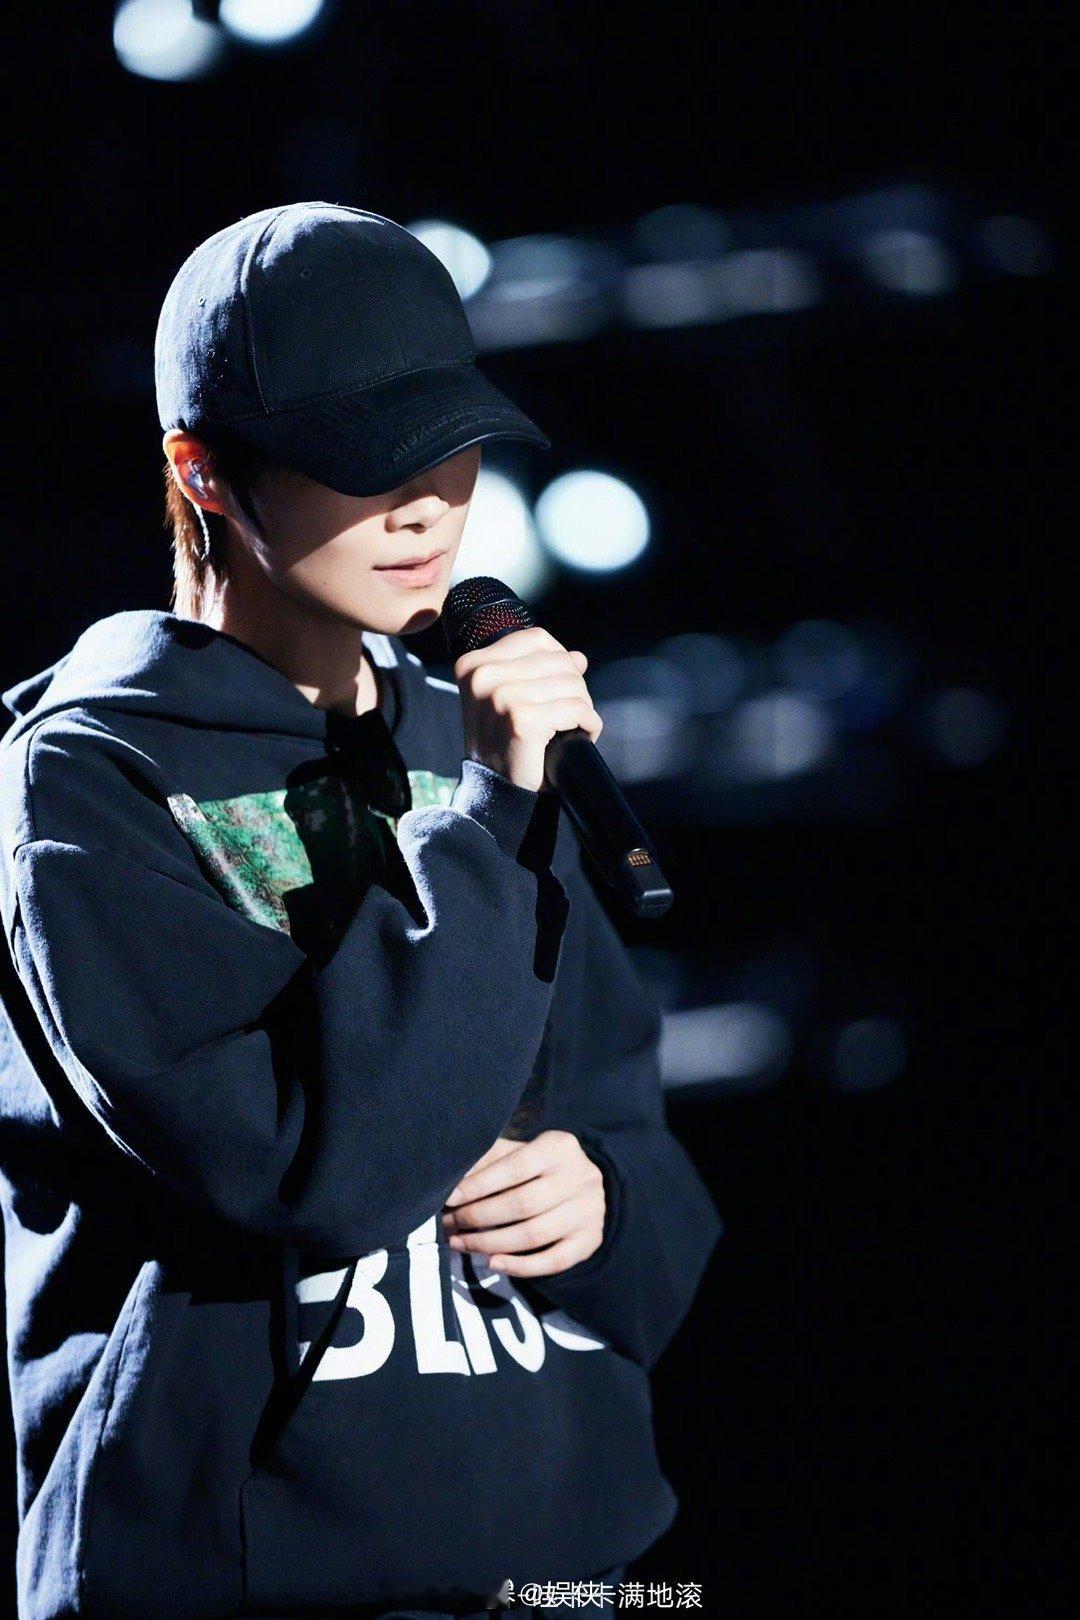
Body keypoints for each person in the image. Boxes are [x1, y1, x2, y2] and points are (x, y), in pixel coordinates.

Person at [0, 202, 722, 1620]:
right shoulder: (89, 778)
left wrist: (601, 1199)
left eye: (450, 443)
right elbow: (299, 1160)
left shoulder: (476, 743)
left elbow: (641, 1157)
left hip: (564, 1582)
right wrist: (493, 820)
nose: (425, 504)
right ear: (202, 472)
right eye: (360, 456)